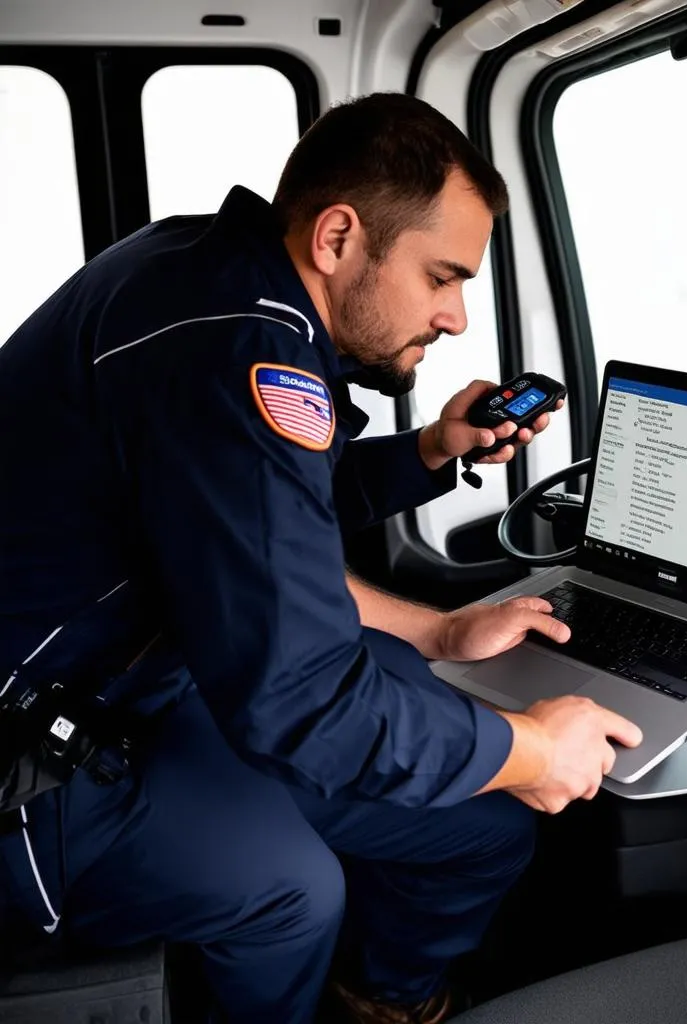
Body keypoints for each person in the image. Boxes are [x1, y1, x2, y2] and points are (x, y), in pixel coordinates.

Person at [0, 92, 642, 1024]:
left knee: (481, 823)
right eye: (442, 276)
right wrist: (535, 748)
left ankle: (381, 999)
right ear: (340, 237)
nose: (458, 317)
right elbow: (297, 698)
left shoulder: (206, 271)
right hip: (36, 766)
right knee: (294, 894)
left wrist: (429, 458)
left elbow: (258, 518)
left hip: (128, 689)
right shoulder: (240, 353)